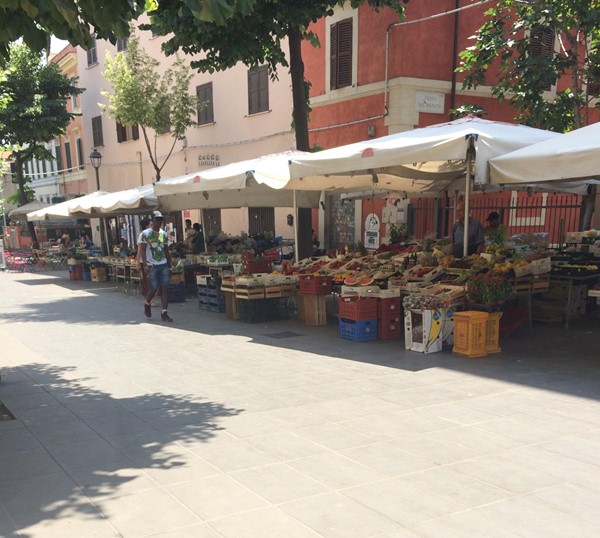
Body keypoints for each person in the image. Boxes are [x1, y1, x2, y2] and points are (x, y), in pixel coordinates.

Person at [138, 211, 173, 322]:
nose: (159, 222)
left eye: (161, 219)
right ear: (152, 220)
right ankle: (147, 303)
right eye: (157, 219)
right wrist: (145, 265)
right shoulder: (145, 234)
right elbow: (142, 250)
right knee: (154, 289)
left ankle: (164, 312)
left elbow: (165, 250)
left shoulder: (163, 234)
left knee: (165, 288)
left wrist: (170, 265)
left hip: (163, 264)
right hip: (151, 264)